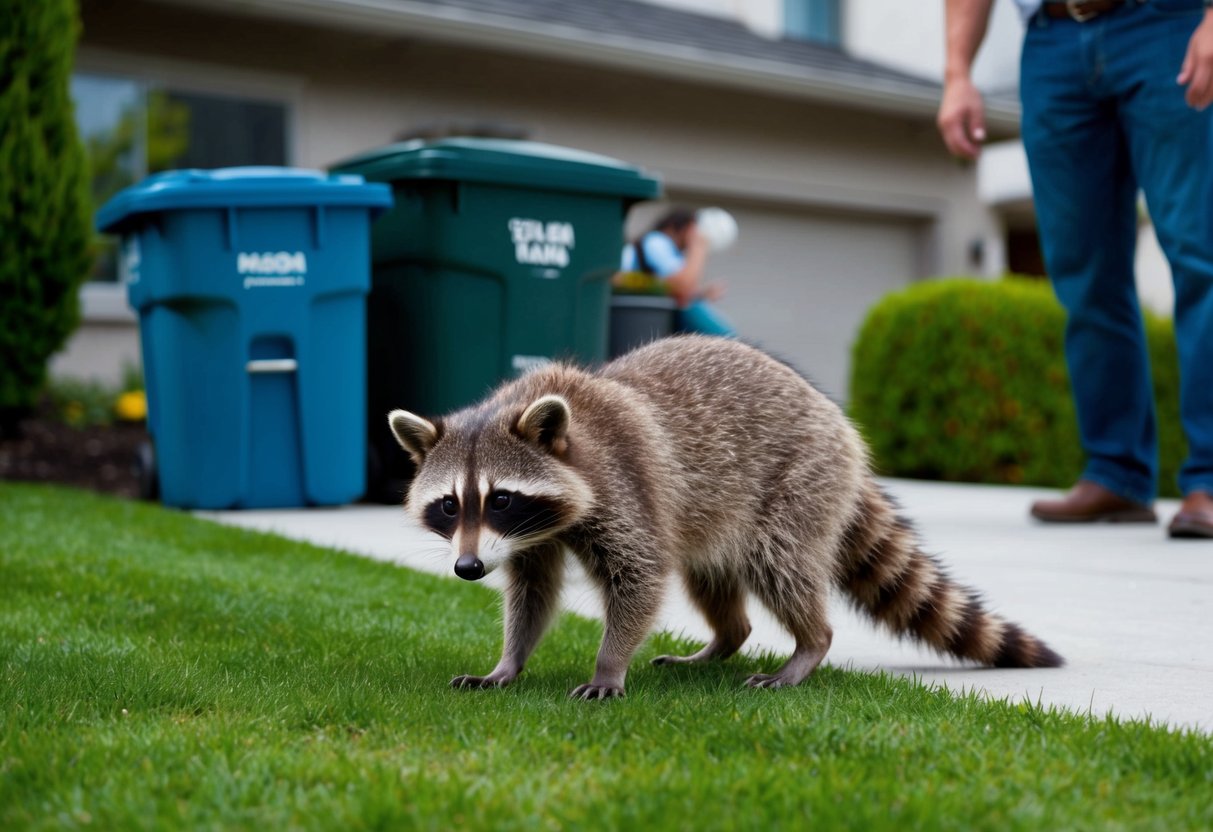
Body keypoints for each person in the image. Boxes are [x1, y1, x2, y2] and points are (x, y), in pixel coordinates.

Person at [938, 0, 1213, 537]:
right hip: (1052, 41)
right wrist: (957, 74)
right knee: (1082, 272)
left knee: (1200, 254)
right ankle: (1116, 472)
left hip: (1169, 24)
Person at [619, 208, 736, 337]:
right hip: (633, 315)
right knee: (727, 336)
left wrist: (700, 294)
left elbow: (670, 287)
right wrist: (698, 247)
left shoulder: (664, 247)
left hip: (642, 313)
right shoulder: (656, 241)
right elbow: (682, 289)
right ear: (677, 227)